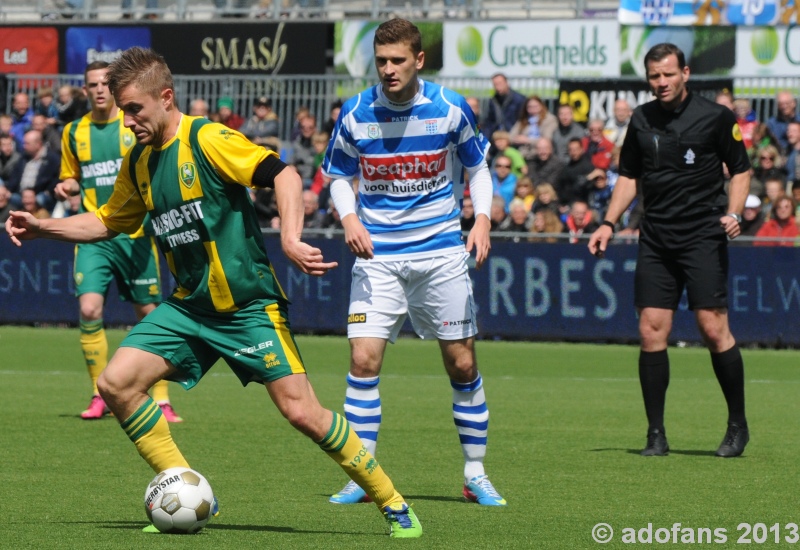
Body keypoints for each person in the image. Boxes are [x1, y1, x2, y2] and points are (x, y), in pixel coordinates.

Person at [6, 46, 422, 539]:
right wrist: (42, 229)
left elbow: (284, 174)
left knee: (301, 412)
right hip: (189, 307)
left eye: (135, 109)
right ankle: (187, 490)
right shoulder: (138, 160)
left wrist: (289, 238)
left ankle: (394, 504)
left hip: (248, 307)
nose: (128, 120)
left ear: (165, 97)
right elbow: (106, 221)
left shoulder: (208, 139)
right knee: (116, 384)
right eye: (122, 112)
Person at [322, 19, 504, 507]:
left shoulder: (449, 108)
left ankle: (474, 474)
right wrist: (349, 218)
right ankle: (363, 477)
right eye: (381, 60)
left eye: (397, 60)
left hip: (441, 253)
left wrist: (481, 220)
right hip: (377, 256)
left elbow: (478, 166)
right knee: (362, 361)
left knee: (462, 363)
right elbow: (338, 174)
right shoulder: (357, 111)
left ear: (418, 60)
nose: (388, 69)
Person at [588, 42, 752, 458]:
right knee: (650, 331)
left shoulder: (716, 117)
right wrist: (608, 222)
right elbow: (628, 176)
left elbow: (742, 171)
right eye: (654, 76)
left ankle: (737, 425)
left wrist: (734, 212)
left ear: (685, 73)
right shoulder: (641, 119)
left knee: (714, 330)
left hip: (702, 236)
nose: (661, 82)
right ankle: (655, 434)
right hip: (656, 238)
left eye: (667, 74)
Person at [55, 60, 181, 422]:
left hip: (136, 235)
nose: (98, 90)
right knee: (90, 309)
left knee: (149, 315)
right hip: (95, 235)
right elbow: (72, 177)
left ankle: (161, 398)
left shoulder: (134, 127)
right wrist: (68, 185)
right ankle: (100, 394)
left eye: (103, 84)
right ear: (84, 90)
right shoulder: (73, 133)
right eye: (91, 84)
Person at [6, 129, 61, 212]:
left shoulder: (52, 159)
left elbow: (56, 178)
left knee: (41, 199)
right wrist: (8, 191)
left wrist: (46, 191)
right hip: (21, 195)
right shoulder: (24, 158)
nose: (24, 146)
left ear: (38, 144)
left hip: (40, 194)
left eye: (27, 143)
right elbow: (15, 176)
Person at [508, 95, 557, 160]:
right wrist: (517, 139)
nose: (533, 109)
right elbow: (511, 136)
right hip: (522, 153)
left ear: (541, 106)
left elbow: (547, 139)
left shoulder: (549, 119)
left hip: (540, 153)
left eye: (535, 106)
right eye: (530, 107)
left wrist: (527, 140)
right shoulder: (523, 119)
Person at [482, 72, 525, 140]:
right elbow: (489, 122)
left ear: (506, 83)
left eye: (500, 83)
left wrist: (513, 136)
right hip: (497, 137)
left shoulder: (519, 99)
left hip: (513, 137)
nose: (498, 87)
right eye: (495, 84)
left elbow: (522, 120)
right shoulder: (493, 101)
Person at [767, 91, 800, 155]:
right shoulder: (772, 123)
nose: (784, 107)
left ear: (794, 103)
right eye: (781, 104)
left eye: (786, 103)